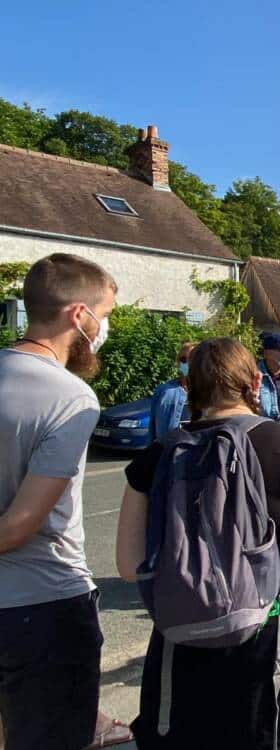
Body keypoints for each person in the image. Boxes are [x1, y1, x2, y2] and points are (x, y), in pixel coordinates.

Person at [116, 337, 280, 749]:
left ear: (189, 386)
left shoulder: (156, 455)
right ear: (255, 382)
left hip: (183, 633)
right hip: (277, 634)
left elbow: (129, 562)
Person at [0, 253, 133, 749]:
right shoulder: (70, 397)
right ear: (80, 316)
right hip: (43, 604)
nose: (106, 329)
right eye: (108, 315)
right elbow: (20, 525)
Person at [149, 341, 196, 442]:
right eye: (183, 359)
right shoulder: (164, 392)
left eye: (192, 358)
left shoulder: (211, 393)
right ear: (178, 363)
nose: (187, 363)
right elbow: (153, 433)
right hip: (171, 454)